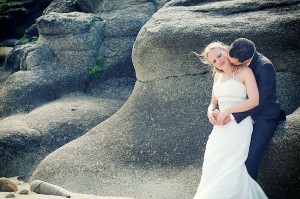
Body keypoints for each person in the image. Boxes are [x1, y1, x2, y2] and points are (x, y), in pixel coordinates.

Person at [193, 41, 267, 198]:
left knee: (232, 168)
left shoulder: (245, 72)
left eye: (219, 55)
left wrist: (227, 110)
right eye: (214, 61)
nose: (218, 61)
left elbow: (254, 101)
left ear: (227, 51)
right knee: (211, 163)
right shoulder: (217, 77)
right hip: (219, 128)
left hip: (239, 126)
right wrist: (210, 112)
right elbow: (213, 102)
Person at [222, 38, 284, 180]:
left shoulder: (265, 67)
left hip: (263, 116)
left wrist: (232, 116)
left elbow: (259, 102)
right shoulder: (237, 56)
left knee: (250, 160)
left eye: (233, 61)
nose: (230, 62)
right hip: (244, 115)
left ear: (245, 60)